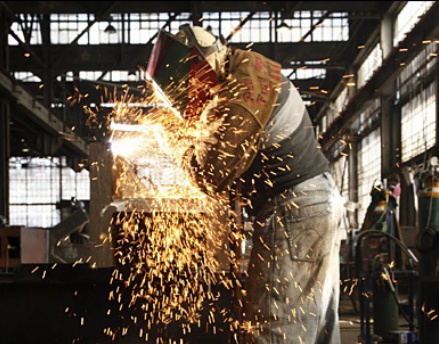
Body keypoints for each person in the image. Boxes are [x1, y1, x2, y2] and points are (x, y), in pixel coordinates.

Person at [148, 25, 345, 344]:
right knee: (318, 324)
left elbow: (209, 175)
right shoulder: (250, 68)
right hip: (318, 200)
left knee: (274, 325)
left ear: (198, 68)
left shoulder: (239, 99)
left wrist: (178, 146)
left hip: (294, 211)